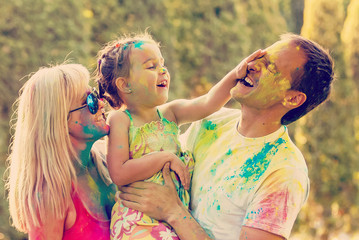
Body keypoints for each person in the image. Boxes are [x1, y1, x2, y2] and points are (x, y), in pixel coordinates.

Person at [118, 33, 335, 240]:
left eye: (271, 67)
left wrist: (173, 212)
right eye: (260, 57)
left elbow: (168, 204)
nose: (252, 66)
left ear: (293, 99)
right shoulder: (211, 123)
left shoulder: (284, 174)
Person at [95, 32, 265, 239]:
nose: (163, 70)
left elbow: (208, 103)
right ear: (125, 84)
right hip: (138, 220)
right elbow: (119, 173)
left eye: (162, 64)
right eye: (151, 66)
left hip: (172, 219)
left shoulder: (171, 112)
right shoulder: (121, 120)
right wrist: (165, 158)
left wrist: (235, 75)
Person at [5, 63, 117, 239]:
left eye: (95, 95)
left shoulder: (111, 162)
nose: (102, 103)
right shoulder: (50, 196)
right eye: (89, 101)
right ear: (59, 121)